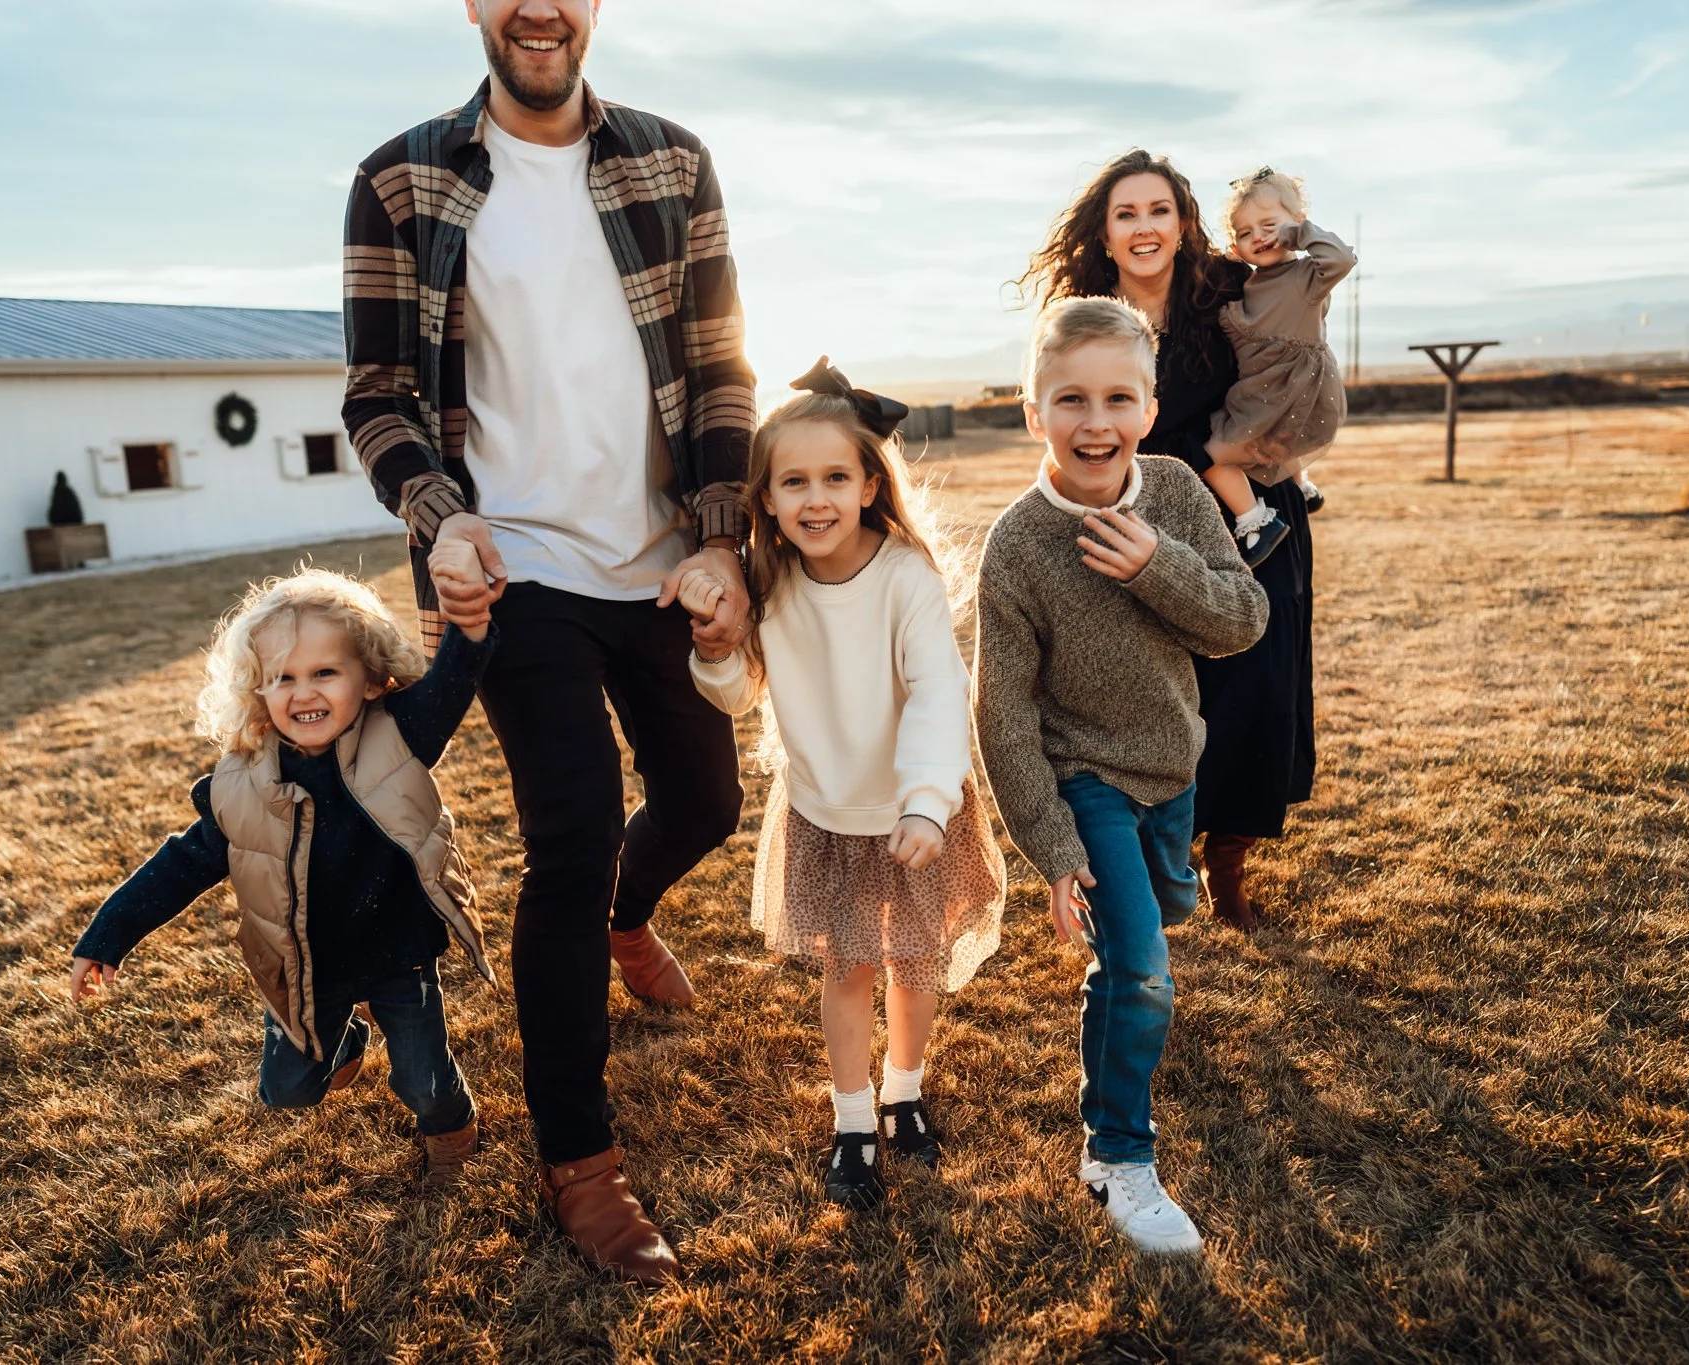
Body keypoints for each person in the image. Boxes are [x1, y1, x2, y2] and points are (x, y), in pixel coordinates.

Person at [340, 0, 755, 1283]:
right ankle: (579, 1163)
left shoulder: (671, 161)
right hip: (512, 572)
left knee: (705, 795)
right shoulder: (402, 178)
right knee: (569, 836)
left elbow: (722, 365)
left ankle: (631, 923)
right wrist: (440, 520)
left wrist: (724, 536)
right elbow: (378, 395)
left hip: (660, 559)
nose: (539, 7)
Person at [974, 298, 1267, 1255]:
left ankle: (1112, 1086)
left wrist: (1156, 567)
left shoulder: (1178, 492)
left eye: (1116, 398)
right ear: (1033, 411)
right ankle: (1122, 1157)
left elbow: (1240, 620)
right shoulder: (1019, 543)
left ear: (1146, 408)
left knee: (1158, 920)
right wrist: (1054, 849)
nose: (1093, 421)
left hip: (1172, 766)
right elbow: (1005, 715)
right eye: (1069, 399)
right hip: (1083, 776)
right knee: (1143, 969)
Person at [682, 360, 1006, 1210]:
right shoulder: (770, 578)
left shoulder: (904, 577)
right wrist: (716, 646)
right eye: (794, 481)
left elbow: (939, 693)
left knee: (912, 963)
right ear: (768, 498)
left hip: (914, 810)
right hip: (827, 812)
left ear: (869, 484)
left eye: (835, 477)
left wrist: (927, 803)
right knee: (849, 968)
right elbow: (735, 691)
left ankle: (904, 1090)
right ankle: (853, 1119)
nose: (815, 498)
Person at [66, 568, 496, 1188]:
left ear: (371, 676)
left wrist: (472, 627)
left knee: (423, 1079)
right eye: (283, 678)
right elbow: (180, 865)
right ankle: (345, 1042)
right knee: (287, 1090)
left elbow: (455, 682)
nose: (303, 692)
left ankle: (450, 1132)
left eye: (325, 672)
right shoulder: (241, 788)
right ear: (257, 690)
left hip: (399, 950)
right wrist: (107, 936)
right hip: (305, 964)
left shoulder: (400, 734)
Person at [1020, 149, 1317, 931]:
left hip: (1248, 507)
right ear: (1107, 233)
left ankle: (1229, 865)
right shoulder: (1085, 315)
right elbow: (1063, 416)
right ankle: (1158, 850)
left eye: (1159, 210)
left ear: (1184, 224)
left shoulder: (1228, 287)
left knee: (1258, 687)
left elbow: (1295, 332)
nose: (1145, 227)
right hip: (1135, 513)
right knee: (1155, 690)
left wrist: (1287, 440)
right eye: (1127, 214)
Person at [1199, 167, 1355, 566]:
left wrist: (1296, 235)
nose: (1260, 237)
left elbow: (1341, 257)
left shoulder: (1307, 276)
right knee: (1271, 444)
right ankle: (1301, 486)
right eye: (1245, 232)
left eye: (1269, 225)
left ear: (1297, 223)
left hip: (1290, 387)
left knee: (1212, 456)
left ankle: (1254, 521)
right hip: (1261, 388)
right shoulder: (1247, 284)